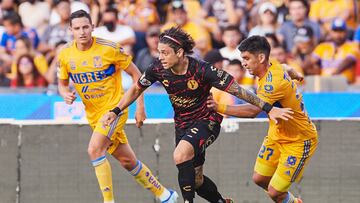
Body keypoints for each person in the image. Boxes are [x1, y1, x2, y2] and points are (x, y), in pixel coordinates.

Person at [100, 27, 293, 203]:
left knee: (180, 154)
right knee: (197, 180)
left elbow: (238, 91)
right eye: (159, 52)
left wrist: (268, 108)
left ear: (180, 52)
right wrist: (115, 111)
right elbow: (136, 89)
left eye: (165, 53)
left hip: (207, 121)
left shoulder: (203, 70)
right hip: (182, 124)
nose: (160, 57)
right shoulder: (158, 69)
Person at [57, 10, 178, 203]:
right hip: (94, 115)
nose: (82, 32)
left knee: (94, 150)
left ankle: (108, 201)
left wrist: (140, 107)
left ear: (93, 27)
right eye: (77, 28)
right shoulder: (65, 54)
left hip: (115, 109)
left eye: (85, 27)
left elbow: (138, 75)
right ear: (70, 29)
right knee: (127, 161)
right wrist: (66, 94)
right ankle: (165, 195)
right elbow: (62, 84)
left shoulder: (109, 49)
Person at [207, 35, 317, 203]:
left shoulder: (272, 85)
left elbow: (253, 110)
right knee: (260, 179)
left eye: (246, 58)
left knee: (274, 192)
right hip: (277, 135)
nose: (243, 63)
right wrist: (292, 71)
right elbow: (283, 66)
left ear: (260, 57)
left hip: (299, 141)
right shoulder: (271, 65)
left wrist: (218, 107)